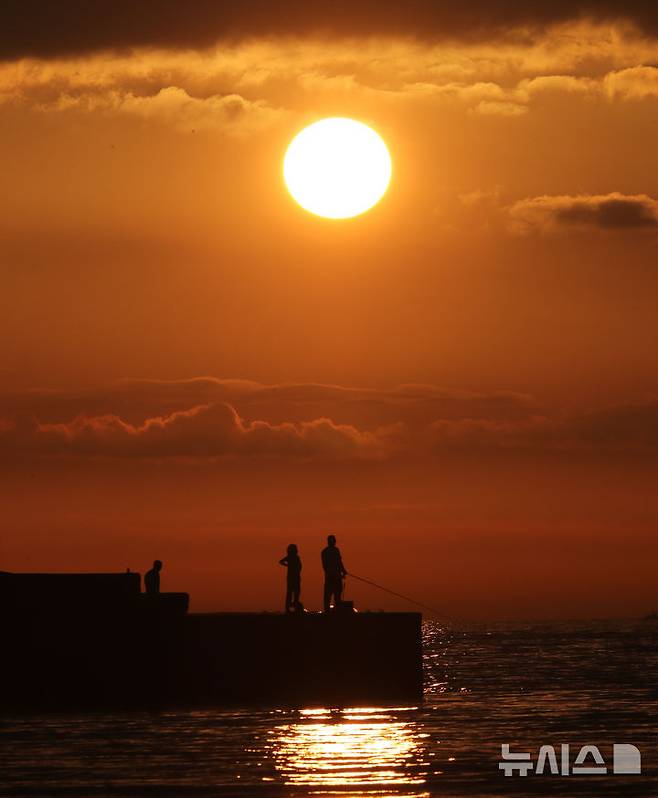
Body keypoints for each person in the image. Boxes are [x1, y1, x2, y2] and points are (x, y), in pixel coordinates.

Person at [321, 535, 347, 612]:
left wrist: (343, 571)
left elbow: (339, 562)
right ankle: (329, 611)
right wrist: (342, 571)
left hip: (333, 576)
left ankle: (333, 610)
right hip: (332, 577)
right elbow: (326, 566)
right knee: (331, 595)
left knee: (335, 595)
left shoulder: (326, 551)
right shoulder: (329, 551)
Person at [279, 544, 302, 612]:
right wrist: (288, 565)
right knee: (294, 593)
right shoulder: (293, 557)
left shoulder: (292, 557)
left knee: (292, 593)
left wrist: (287, 565)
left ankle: (291, 607)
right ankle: (290, 607)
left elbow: (281, 562)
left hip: (293, 577)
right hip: (294, 577)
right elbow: (281, 561)